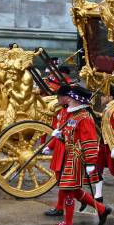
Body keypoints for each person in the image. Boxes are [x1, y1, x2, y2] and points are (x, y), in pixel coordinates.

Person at [52, 85, 112, 225]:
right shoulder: (74, 115)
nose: (68, 101)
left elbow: (90, 140)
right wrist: (60, 137)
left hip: (78, 159)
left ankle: (68, 223)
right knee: (75, 191)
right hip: (70, 156)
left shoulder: (84, 117)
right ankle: (102, 209)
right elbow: (71, 137)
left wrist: (91, 162)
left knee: (67, 190)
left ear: (76, 99)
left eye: (71, 98)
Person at [42, 85, 71, 217]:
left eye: (60, 97)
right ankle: (59, 207)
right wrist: (50, 146)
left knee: (67, 184)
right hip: (60, 149)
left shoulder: (73, 112)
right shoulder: (62, 111)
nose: (58, 99)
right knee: (61, 181)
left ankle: (99, 208)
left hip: (68, 150)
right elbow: (58, 132)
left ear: (66, 98)